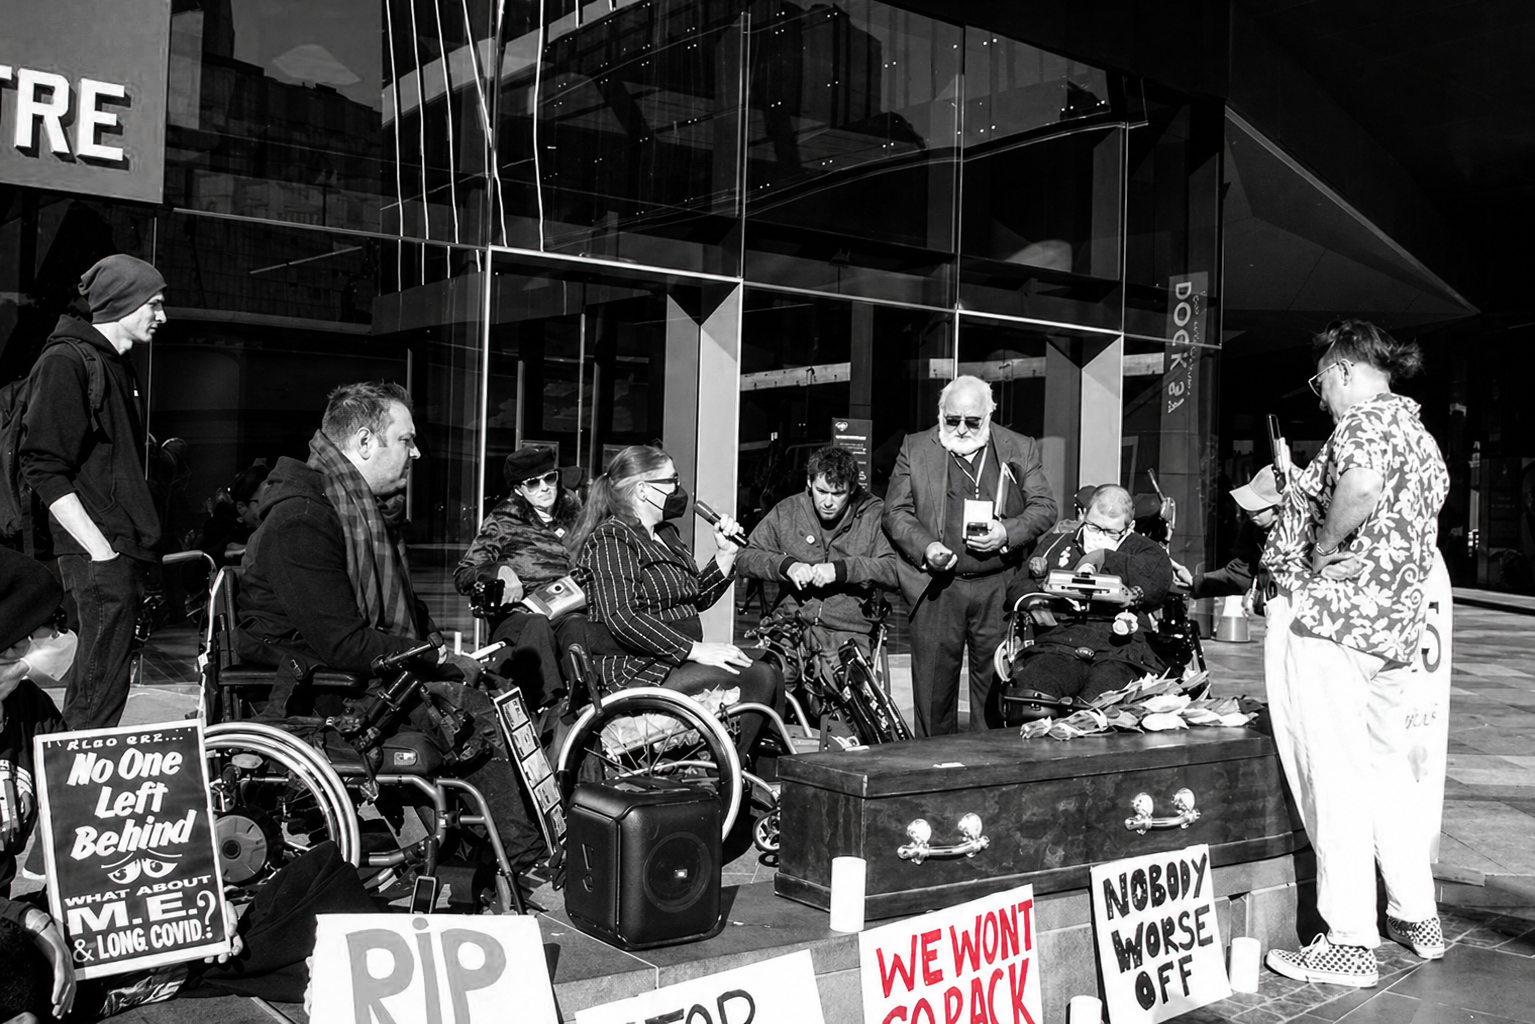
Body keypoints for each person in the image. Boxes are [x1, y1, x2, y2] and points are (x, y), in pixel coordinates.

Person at [235, 381, 546, 873]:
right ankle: (527, 856)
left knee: (493, 685)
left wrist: (440, 652)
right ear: (364, 442)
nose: (416, 452)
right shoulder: (302, 521)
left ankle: (493, 848)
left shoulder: (363, 515)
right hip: (314, 687)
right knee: (470, 708)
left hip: (355, 675)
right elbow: (343, 641)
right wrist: (435, 659)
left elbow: (407, 616)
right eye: (406, 440)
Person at [1261, 320, 1450, 988]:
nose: (1320, 399)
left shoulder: (1365, 424)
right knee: (1384, 772)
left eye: (1321, 383)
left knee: (1332, 774)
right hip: (1392, 629)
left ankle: (1347, 941)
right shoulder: (1421, 437)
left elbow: (1363, 486)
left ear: (1342, 370)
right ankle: (1416, 915)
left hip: (1336, 623)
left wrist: (1320, 546)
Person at [19, 254, 166, 730]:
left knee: (102, 686)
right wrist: (100, 550)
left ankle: (66, 792)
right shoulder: (66, 361)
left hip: (122, 547)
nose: (162, 316)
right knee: (96, 696)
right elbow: (42, 464)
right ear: (124, 302)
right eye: (155, 304)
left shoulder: (115, 365)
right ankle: (66, 796)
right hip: (99, 550)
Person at [567, 445, 782, 760]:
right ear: (642, 490)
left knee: (771, 665)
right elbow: (622, 617)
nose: (679, 490)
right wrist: (696, 650)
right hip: (638, 667)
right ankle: (732, 777)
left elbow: (695, 597)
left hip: (673, 659)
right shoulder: (612, 539)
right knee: (758, 676)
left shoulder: (665, 534)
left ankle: (756, 773)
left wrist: (725, 554)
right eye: (671, 481)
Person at [883, 375, 1058, 734]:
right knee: (933, 693)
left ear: (989, 415)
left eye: (972, 421)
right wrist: (926, 547)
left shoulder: (1018, 447)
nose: (961, 429)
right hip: (937, 587)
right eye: (952, 420)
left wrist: (1006, 533)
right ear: (940, 412)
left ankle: (985, 774)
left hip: (997, 585)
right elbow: (895, 512)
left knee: (994, 690)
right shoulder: (916, 448)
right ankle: (932, 771)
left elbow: (1044, 507)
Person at [734, 446, 898, 682]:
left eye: (837, 493)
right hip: (792, 623)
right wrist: (787, 566)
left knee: (842, 691)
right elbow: (745, 557)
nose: (828, 502)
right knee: (768, 683)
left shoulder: (874, 515)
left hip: (849, 629)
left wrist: (840, 571)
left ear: (852, 489)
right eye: (821, 491)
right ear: (809, 483)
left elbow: (892, 569)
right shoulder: (788, 511)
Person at [1003, 485, 1174, 705]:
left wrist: (1107, 559)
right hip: (1059, 645)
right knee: (1033, 697)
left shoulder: (1147, 552)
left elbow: (1156, 587)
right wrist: (1048, 594)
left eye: (1110, 531)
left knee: (1101, 705)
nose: (1099, 536)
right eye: (1093, 527)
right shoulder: (1056, 544)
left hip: (1120, 651)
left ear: (1129, 527)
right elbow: (1016, 589)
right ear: (1083, 515)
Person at [0, 547, 79, 1021]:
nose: (59, 637)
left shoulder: (32, 709)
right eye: (48, 626)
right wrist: (26, 919)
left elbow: (86, 803)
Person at [455, 446, 582, 710]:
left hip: (568, 607)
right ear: (518, 490)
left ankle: (588, 702)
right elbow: (464, 575)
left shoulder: (575, 515)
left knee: (579, 625)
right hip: (519, 615)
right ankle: (550, 706)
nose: (544, 488)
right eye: (533, 483)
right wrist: (498, 570)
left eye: (550, 478)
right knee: (536, 625)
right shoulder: (504, 519)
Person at [1172, 465, 1281, 603]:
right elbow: (1240, 574)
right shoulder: (1251, 528)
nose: (1249, 511)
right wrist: (1197, 582)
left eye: (1257, 506)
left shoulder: (1304, 534)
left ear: (1278, 509)